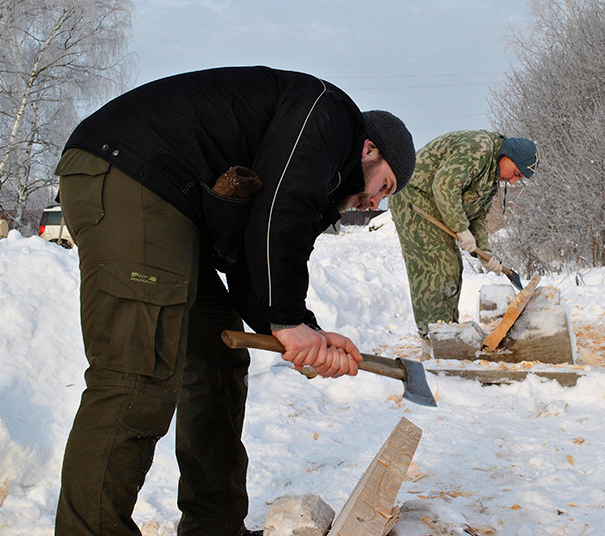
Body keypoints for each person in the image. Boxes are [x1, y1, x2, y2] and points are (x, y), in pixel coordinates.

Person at [53, 66, 416, 536]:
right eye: (383, 186)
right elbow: (280, 214)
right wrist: (287, 320)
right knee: (135, 376)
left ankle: (214, 526)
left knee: (217, 359)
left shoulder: (313, 162)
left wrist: (304, 331)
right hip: (132, 175)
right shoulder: (331, 116)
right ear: (369, 149)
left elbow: (256, 256)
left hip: (168, 205)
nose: (374, 204)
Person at [388, 130, 537, 357]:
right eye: (516, 173)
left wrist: (485, 254)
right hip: (415, 199)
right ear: (508, 156)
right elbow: (444, 186)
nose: (514, 181)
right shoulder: (479, 148)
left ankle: (445, 332)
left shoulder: (490, 176)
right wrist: (459, 226)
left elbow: (477, 217)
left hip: (436, 206)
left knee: (451, 267)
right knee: (438, 265)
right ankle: (434, 341)